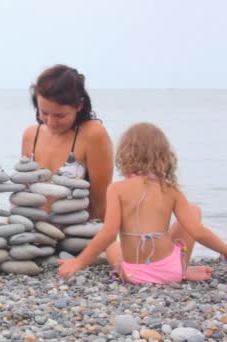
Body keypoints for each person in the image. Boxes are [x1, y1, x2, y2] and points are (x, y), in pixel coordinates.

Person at [58, 122, 227, 284]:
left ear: (124, 155)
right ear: (165, 156)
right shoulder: (171, 190)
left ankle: (172, 270)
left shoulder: (117, 189)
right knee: (193, 211)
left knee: (112, 247)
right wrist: (224, 250)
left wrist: (78, 262)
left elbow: (109, 233)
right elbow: (198, 232)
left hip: (133, 274)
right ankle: (183, 270)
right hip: (170, 271)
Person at [21, 64, 113, 220]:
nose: (51, 122)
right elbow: (24, 195)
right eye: (44, 112)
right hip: (35, 235)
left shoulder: (93, 134)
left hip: (78, 237)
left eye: (60, 115)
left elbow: (101, 202)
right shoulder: (30, 135)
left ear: (79, 105)